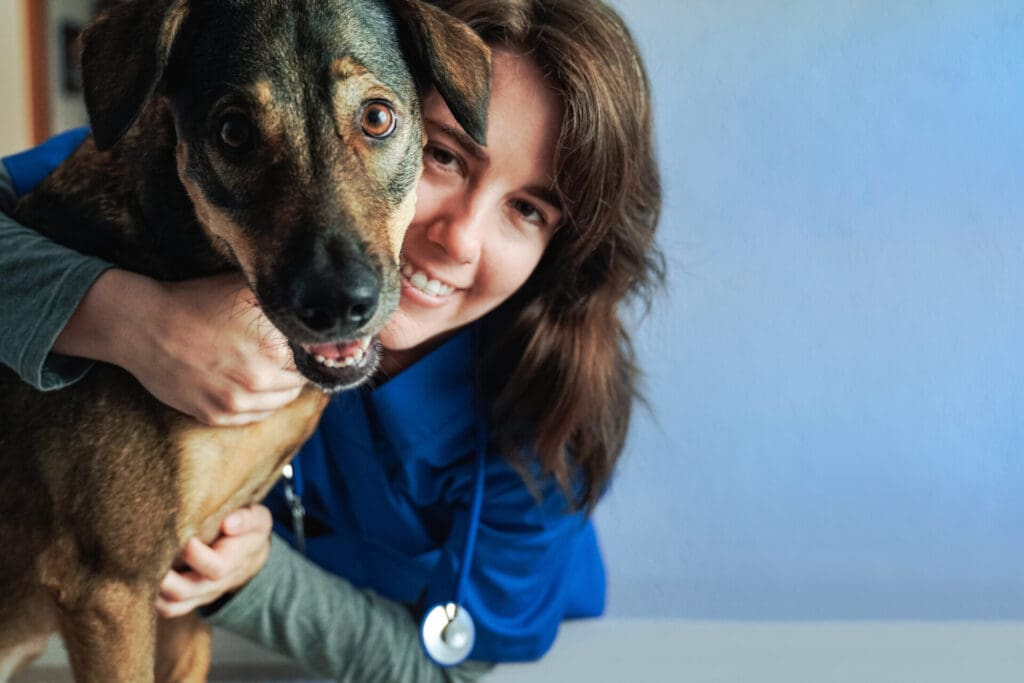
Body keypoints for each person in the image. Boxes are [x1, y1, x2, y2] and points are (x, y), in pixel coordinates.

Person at [0, 0, 663, 680]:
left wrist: (253, 579)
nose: (459, 240)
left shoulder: (544, 427)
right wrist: (132, 320)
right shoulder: (159, 172)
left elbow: (450, 665)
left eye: (527, 208)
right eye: (444, 156)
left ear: (564, 242)